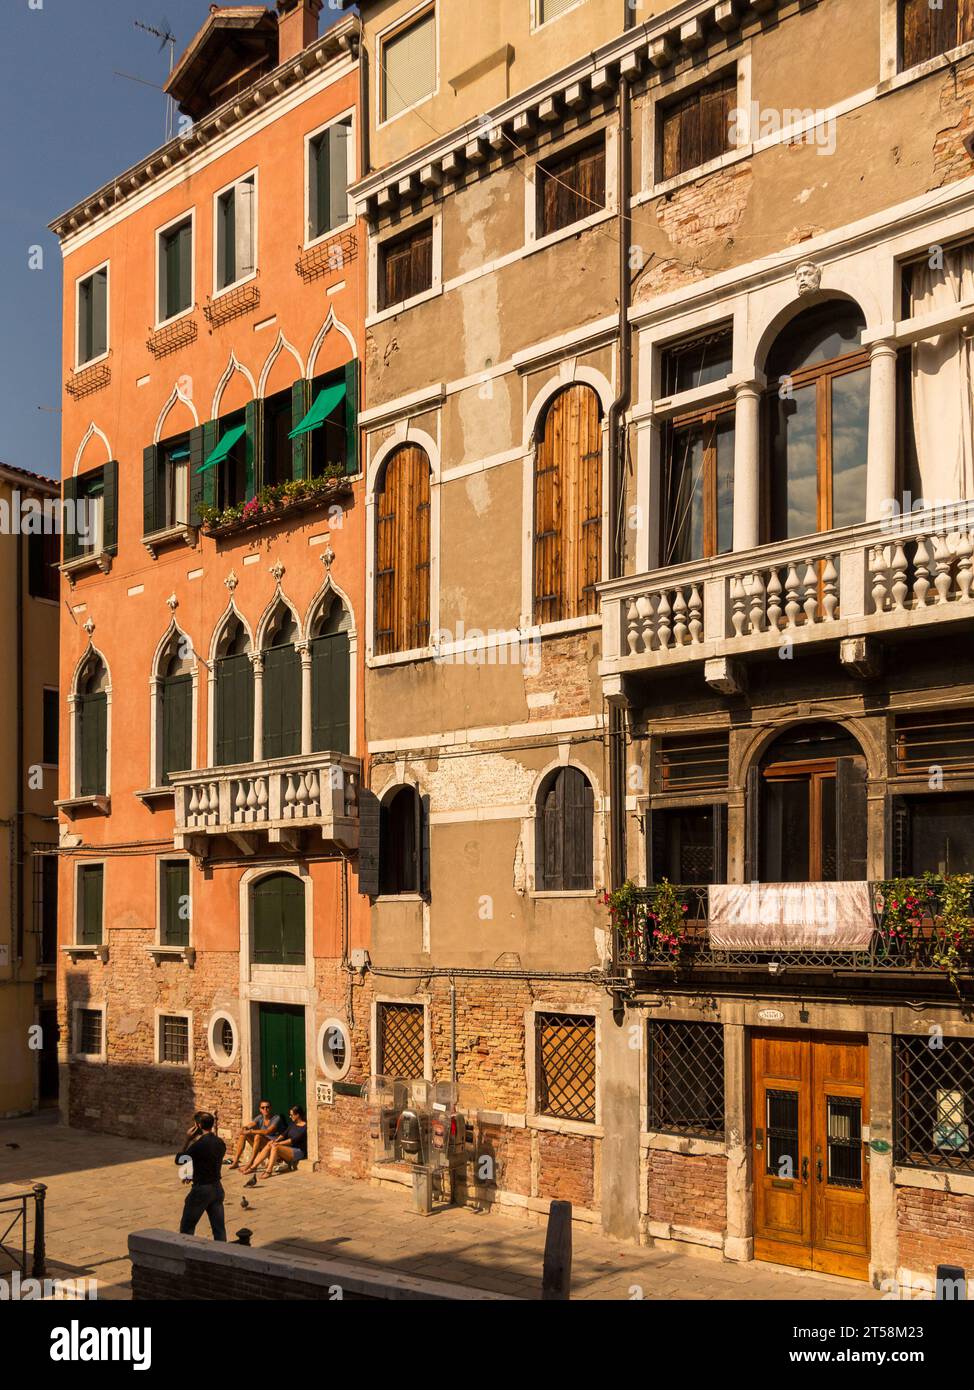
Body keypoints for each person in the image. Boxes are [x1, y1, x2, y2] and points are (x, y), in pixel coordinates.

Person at [176, 1112, 227, 1242]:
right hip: (217, 1188)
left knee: (187, 1228)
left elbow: (180, 1159)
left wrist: (187, 1140)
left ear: (198, 1125)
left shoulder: (198, 1145)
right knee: (219, 1229)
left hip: (202, 1189)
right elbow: (205, 1160)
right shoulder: (220, 1142)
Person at [245, 1105, 308, 1183]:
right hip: (288, 1149)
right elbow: (284, 1134)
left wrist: (278, 1143)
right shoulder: (292, 1124)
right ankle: (253, 1167)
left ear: (297, 1115)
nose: (290, 1116)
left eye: (291, 1115)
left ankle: (269, 1171)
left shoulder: (305, 1127)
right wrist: (276, 1140)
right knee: (270, 1144)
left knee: (276, 1147)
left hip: (298, 1151)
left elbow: (292, 1140)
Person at [227, 1100, 282, 1171]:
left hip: (271, 1144)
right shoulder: (260, 1117)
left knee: (257, 1136)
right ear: (260, 1109)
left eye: (267, 1107)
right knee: (243, 1135)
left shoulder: (276, 1118)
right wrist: (244, 1128)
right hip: (261, 1143)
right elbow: (250, 1125)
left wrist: (250, 1131)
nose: (265, 1109)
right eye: (263, 1107)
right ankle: (235, 1161)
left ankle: (250, 1163)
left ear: (270, 1108)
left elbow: (267, 1131)